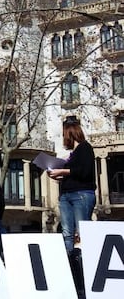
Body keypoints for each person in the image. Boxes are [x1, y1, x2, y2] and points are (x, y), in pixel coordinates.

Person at [48, 117, 95, 299]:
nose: (63, 138)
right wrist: (58, 175)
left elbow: (85, 171)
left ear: (70, 133)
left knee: (82, 232)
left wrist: (64, 172)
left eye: (64, 135)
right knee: (67, 233)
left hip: (81, 194)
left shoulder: (85, 148)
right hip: (66, 194)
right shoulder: (72, 155)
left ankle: (84, 270)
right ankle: (69, 268)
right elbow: (73, 173)